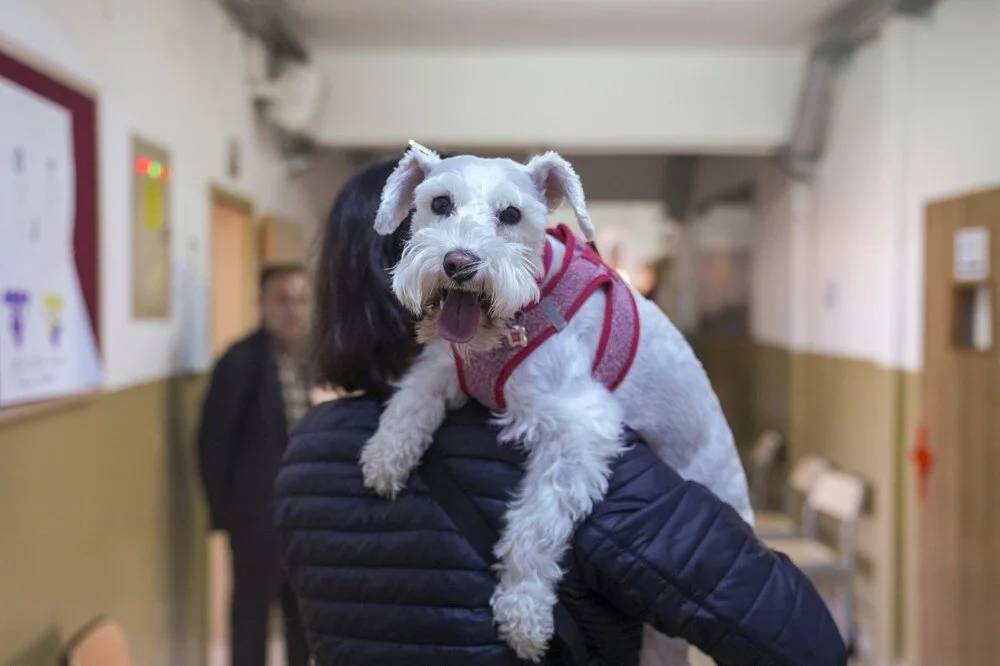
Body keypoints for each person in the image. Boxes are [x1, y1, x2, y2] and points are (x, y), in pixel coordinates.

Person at [274, 160, 847, 666]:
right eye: (440, 210)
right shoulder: (589, 464)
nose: (462, 249)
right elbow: (798, 641)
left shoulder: (306, 455)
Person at [199, 263, 311, 666]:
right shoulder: (240, 361)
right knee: (251, 613)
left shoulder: (312, 358)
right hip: (255, 515)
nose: (293, 310)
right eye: (282, 300)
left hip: (303, 512)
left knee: (302, 613)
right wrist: (225, 514)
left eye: (300, 300)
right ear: (261, 304)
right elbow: (213, 443)